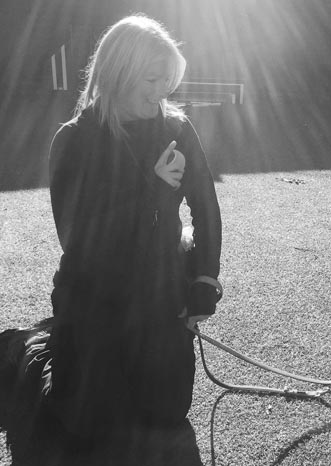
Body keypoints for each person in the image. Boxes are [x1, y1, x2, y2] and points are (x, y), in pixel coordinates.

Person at [44, 14, 222, 442]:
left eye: (168, 80)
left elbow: (206, 208)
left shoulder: (177, 128)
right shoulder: (74, 140)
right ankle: (44, 344)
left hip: (158, 288)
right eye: (151, 78)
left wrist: (203, 278)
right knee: (87, 427)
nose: (163, 90)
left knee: (167, 413)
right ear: (118, 72)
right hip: (95, 292)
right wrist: (155, 195)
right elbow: (81, 243)